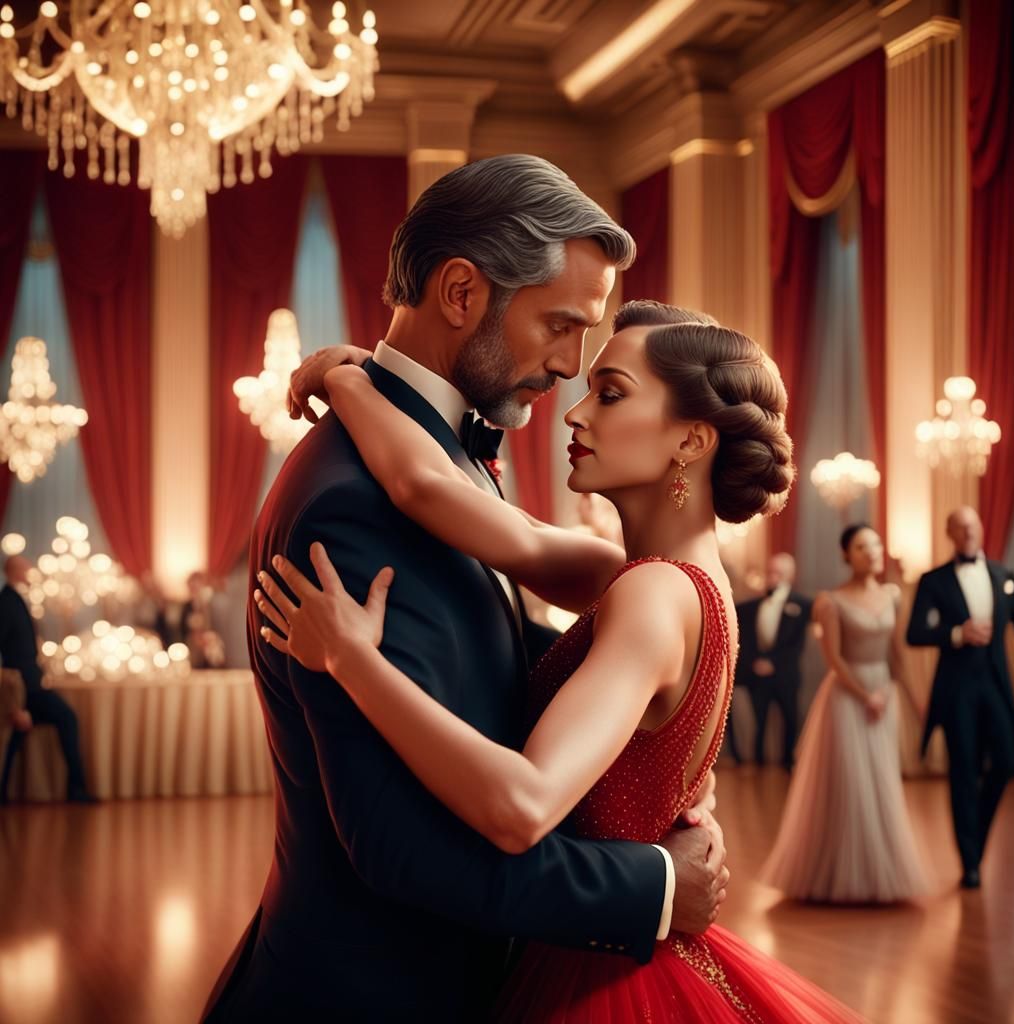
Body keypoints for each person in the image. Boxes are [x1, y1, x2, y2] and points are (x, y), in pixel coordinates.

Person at [202, 157, 728, 1024]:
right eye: (561, 326)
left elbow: (506, 671)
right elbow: (400, 844)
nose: (568, 370)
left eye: (601, 369)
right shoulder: (355, 505)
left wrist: (668, 776)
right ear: (460, 292)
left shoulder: (448, 468)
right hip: (369, 996)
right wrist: (657, 886)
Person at [258, 299, 867, 1021]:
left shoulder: (652, 594)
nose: (575, 415)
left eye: (610, 394)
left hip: (598, 972)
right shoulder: (659, 577)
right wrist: (359, 382)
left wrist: (354, 662)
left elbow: (521, 806)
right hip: (606, 942)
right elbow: (454, 503)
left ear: (690, 442)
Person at [761, 525, 930, 903]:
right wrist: (866, 694)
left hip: (884, 696)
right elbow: (834, 660)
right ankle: (837, 874)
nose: (871, 552)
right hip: (847, 698)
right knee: (851, 785)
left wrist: (904, 695)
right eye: (861, 546)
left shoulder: (893, 596)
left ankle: (881, 873)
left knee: (883, 782)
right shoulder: (830, 601)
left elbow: (896, 655)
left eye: (875, 544)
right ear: (846, 555)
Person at [906, 506, 1014, 889]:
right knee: (963, 772)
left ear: (981, 528)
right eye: (959, 527)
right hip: (956, 690)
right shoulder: (933, 580)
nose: (967, 532)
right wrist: (957, 633)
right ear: (950, 534)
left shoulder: (1004, 576)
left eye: (972, 525)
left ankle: (978, 839)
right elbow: (915, 633)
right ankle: (970, 862)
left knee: (1005, 760)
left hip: (996, 685)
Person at [0, 555, 95, 804]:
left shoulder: (14, 600)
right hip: (23, 687)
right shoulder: (7, 602)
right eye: (25, 567)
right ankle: (76, 789)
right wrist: (12, 699)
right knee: (67, 718)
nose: (30, 571)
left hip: (27, 685)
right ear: (15, 571)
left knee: (14, 738)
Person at [734, 552, 812, 768]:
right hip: (756, 673)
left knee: (790, 718)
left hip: (785, 673)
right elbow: (746, 640)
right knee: (758, 719)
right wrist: (755, 663)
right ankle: (757, 762)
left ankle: (788, 762)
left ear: (790, 575)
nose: (773, 576)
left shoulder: (803, 605)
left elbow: (797, 644)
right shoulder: (749, 607)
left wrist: (774, 663)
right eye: (770, 571)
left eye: (778, 572)